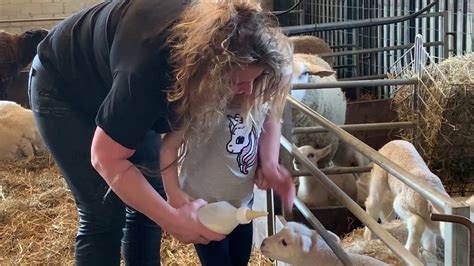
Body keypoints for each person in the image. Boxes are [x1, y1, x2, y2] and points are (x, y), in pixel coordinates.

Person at [29, 0, 295, 265]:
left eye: (254, 81)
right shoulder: (149, 69)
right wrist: (174, 222)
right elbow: (105, 157)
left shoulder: (210, 50)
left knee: (147, 202)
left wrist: (268, 161)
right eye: (238, 82)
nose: (248, 91)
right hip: (64, 88)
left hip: (121, 86)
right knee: (104, 213)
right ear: (211, 70)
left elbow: (264, 112)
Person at [161, 26, 293, 266]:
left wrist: (269, 163)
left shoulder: (260, 101)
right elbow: (168, 148)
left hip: (242, 205)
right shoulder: (205, 103)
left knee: (240, 260)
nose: (269, 97)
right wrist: (173, 194)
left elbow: (271, 121)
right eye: (269, 88)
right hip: (205, 209)